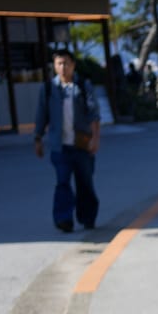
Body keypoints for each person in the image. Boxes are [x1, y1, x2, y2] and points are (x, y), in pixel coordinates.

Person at [31, 48, 101, 233]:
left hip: (82, 145)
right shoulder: (48, 89)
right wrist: (37, 138)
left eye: (66, 63)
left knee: (84, 183)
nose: (63, 68)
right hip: (60, 146)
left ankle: (87, 217)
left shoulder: (83, 86)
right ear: (54, 66)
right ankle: (64, 219)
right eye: (59, 64)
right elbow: (41, 115)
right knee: (62, 182)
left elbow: (94, 114)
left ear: (73, 65)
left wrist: (95, 139)